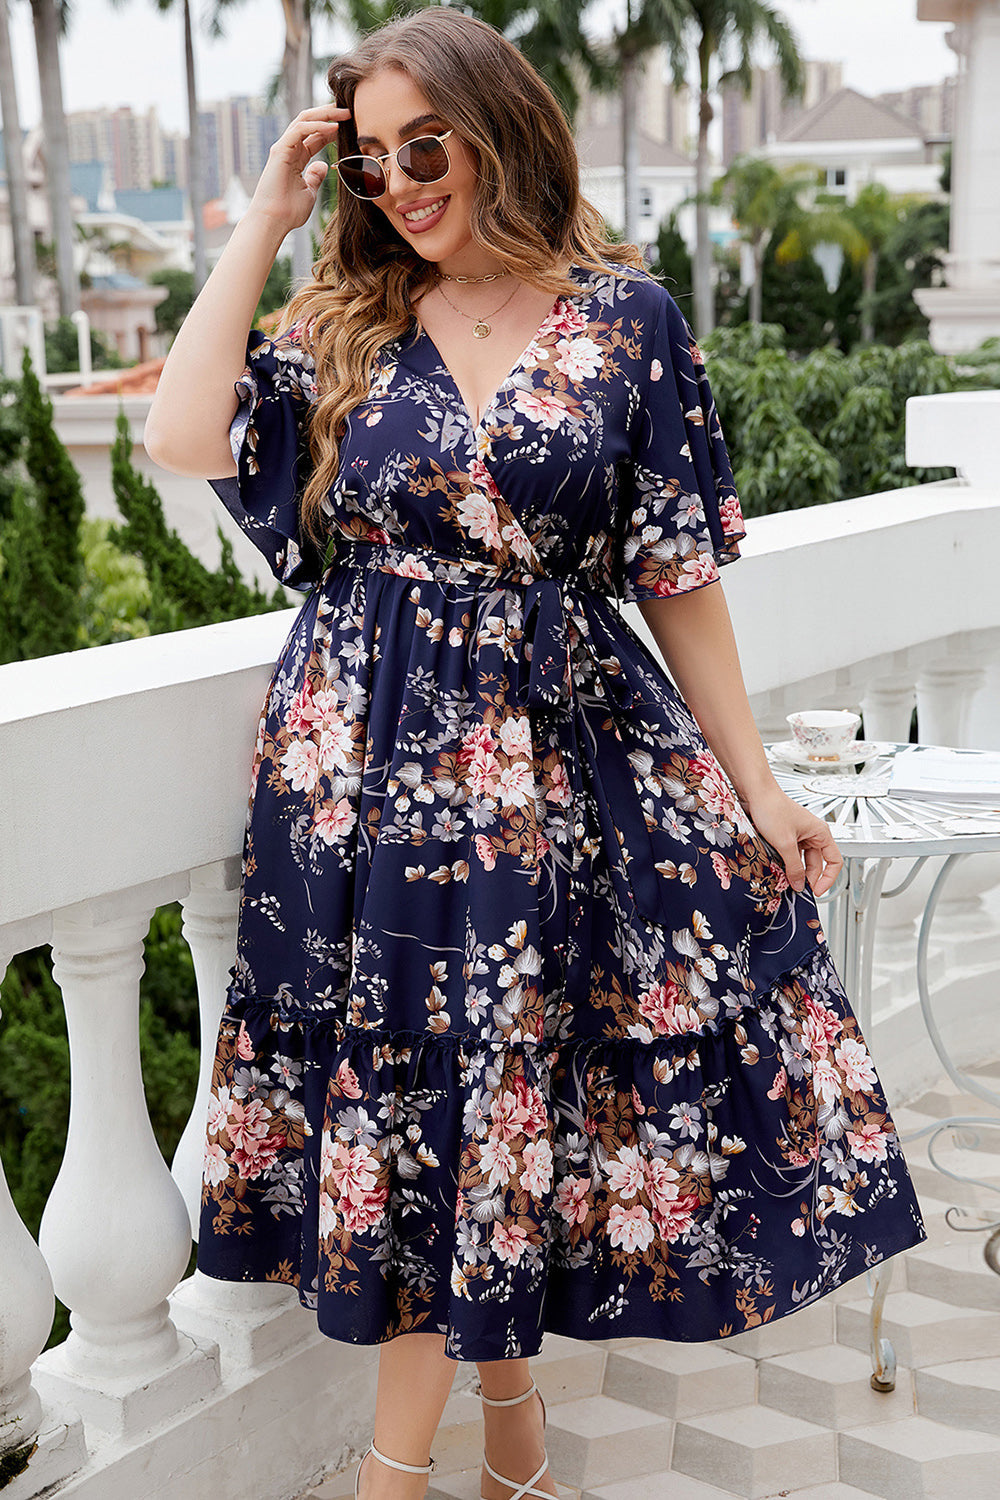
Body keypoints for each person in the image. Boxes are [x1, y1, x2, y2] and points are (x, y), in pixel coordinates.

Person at [144, 9, 927, 1498]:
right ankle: (503, 1431)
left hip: (556, 773)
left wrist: (758, 788)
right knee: (427, 1097)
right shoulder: (347, 323)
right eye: (372, 162)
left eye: (423, 147)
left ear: (499, 127)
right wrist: (266, 218)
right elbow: (184, 434)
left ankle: (405, 1473)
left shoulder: (630, 322)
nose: (400, 183)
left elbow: (676, 574)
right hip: (361, 772)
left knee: (497, 1088)